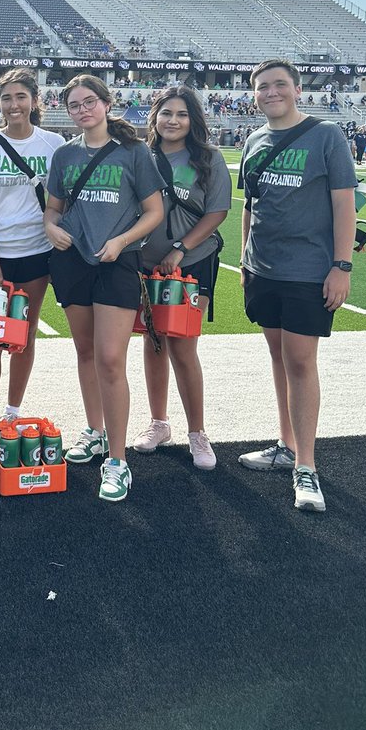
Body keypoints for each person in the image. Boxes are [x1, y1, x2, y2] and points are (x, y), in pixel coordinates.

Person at [237, 60, 357, 513]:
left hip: (307, 270)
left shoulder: (326, 135)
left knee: (301, 362)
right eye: (262, 87)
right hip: (262, 268)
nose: (271, 92)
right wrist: (243, 258)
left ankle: (306, 465)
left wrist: (341, 266)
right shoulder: (254, 140)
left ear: (298, 89)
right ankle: (286, 445)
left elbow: (344, 205)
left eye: (279, 84)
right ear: (254, 95)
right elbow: (250, 205)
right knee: (278, 356)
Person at [44, 76, 164, 502]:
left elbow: (154, 211)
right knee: (85, 352)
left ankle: (117, 460)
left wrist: (121, 241)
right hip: (72, 261)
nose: (83, 110)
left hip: (117, 261)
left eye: (89, 102)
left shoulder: (134, 152)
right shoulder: (65, 154)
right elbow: (53, 209)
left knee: (111, 359)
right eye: (74, 105)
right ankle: (94, 431)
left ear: (107, 103)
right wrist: (50, 227)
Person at [132, 86, 231, 470]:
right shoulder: (140, 154)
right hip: (145, 264)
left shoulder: (208, 158)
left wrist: (180, 249)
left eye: (182, 114)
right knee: (153, 341)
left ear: (193, 120)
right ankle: (159, 423)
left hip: (193, 261)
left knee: (183, 347)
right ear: (154, 117)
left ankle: (196, 432)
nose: (173, 120)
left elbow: (216, 212)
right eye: (166, 113)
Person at [0, 69, 64, 445]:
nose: (14, 105)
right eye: (6, 98)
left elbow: (60, 200)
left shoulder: (54, 144)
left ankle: (12, 411)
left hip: (36, 251)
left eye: (21, 97)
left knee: (24, 333)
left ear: (35, 100)